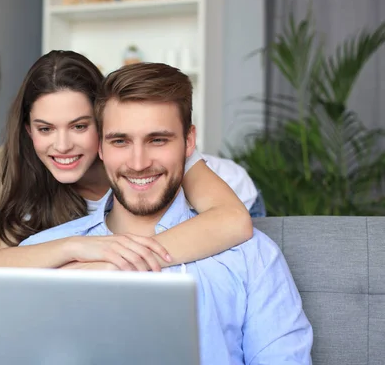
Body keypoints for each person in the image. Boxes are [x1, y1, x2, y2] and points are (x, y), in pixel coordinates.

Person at [19, 62, 313, 363]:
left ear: (188, 142)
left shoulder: (253, 257)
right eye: (120, 141)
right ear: (101, 148)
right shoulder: (43, 258)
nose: (138, 162)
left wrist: (117, 266)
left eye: (157, 140)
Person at [0, 50, 253, 271]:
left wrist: (112, 265)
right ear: (29, 131)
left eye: (79, 126)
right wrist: (74, 247)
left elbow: (233, 221)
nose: (62, 146)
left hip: (242, 196)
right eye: (45, 129)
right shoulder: (38, 195)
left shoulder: (156, 162)